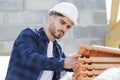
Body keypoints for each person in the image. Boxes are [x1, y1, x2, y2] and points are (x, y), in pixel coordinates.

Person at [5, 2, 80, 80]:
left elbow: (68, 64)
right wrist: (63, 63)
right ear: (50, 18)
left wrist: (80, 61)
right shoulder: (29, 35)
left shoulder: (57, 50)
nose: (64, 29)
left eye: (68, 27)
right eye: (62, 22)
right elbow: (31, 58)